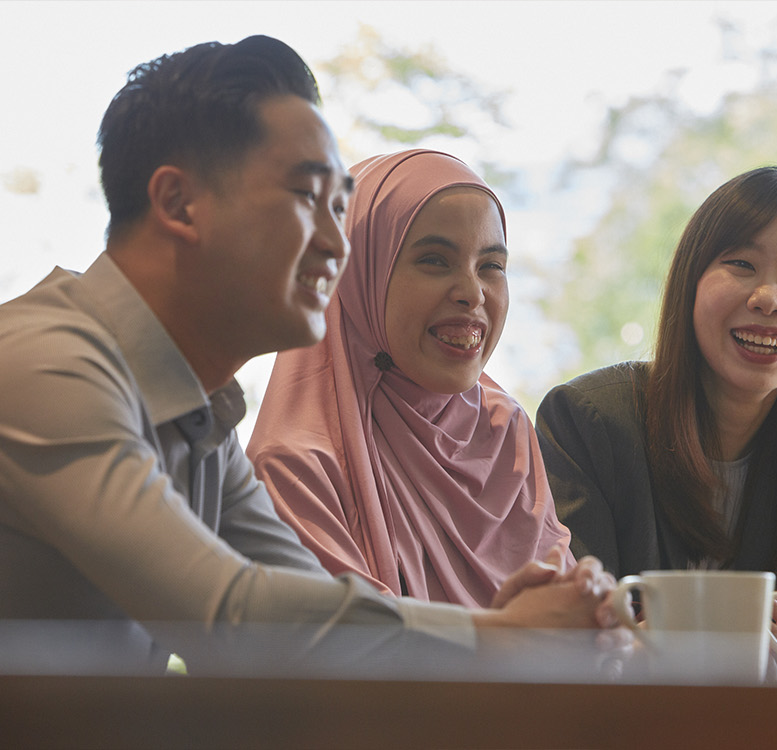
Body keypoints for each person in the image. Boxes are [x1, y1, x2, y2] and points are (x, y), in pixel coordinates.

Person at [0, 36, 618, 679]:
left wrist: (512, 628)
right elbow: (232, 614)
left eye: (340, 209)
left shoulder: (202, 418)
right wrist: (497, 637)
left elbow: (303, 618)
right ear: (179, 204)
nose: (336, 245)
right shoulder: (45, 366)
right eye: (306, 198)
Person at [535, 165, 777, 683]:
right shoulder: (588, 420)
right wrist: (712, 627)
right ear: (689, 287)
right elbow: (567, 645)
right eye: (740, 263)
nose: (769, 297)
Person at [247, 149, 572, 610]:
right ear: (358, 275)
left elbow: (568, 626)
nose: (472, 292)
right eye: (435, 261)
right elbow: (349, 656)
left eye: (491, 266)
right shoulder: (297, 465)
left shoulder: (503, 431)